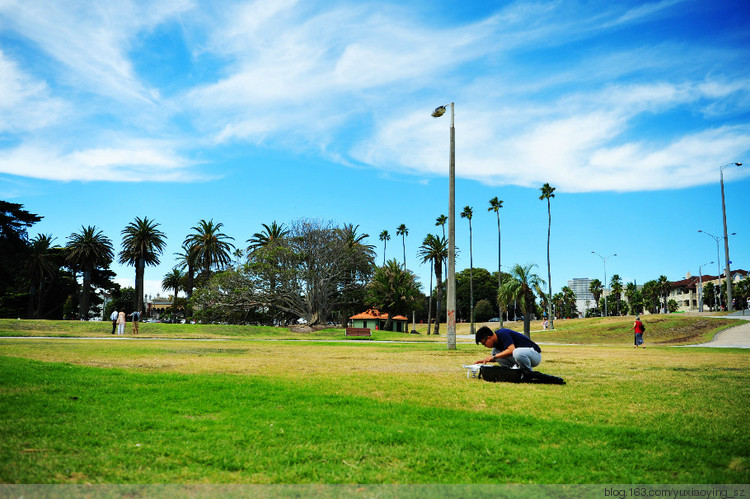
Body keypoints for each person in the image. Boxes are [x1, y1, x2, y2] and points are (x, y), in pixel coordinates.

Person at [474, 326, 542, 371]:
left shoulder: (503, 333)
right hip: (521, 356)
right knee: (495, 352)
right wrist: (486, 360)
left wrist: (494, 357)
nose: (485, 346)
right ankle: (512, 371)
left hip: (534, 354)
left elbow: (511, 350)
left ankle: (528, 373)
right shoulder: (496, 343)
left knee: (516, 352)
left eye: (484, 343)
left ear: (488, 337)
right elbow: (499, 357)